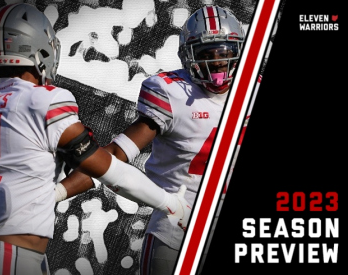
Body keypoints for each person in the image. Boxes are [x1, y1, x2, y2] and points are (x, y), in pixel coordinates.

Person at [0, 3, 190, 275]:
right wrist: (170, 203)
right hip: (11, 259)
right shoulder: (46, 102)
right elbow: (111, 172)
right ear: (40, 48)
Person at [56, 5, 246, 275]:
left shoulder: (253, 87)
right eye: (206, 53)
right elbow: (113, 157)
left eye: (224, 51)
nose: (216, 61)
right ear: (188, 57)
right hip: (177, 233)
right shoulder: (172, 93)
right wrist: (57, 192)